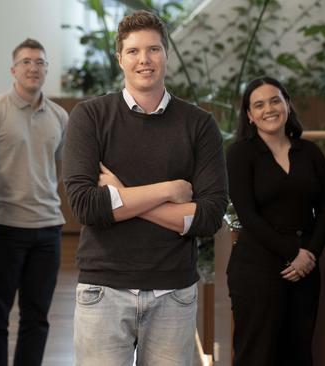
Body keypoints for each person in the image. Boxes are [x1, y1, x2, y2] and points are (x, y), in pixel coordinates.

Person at [63, 10, 228, 365]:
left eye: (153, 50)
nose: (144, 60)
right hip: (103, 290)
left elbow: (210, 216)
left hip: (174, 293)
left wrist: (120, 194)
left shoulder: (199, 125)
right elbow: (86, 207)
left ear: (165, 54)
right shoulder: (89, 117)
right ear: (119, 58)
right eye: (134, 51)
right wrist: (169, 190)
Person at [226, 76, 325, 366]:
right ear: (249, 115)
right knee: (256, 355)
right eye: (258, 105)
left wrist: (308, 256)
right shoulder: (240, 154)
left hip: (305, 269)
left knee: (298, 353)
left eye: (275, 100)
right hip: (257, 269)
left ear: (287, 103)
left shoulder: (310, 153)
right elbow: (247, 216)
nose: (268, 109)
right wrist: (293, 254)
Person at [0, 38, 68, 366]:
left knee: (37, 317)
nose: (33, 67)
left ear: (46, 70)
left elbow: (58, 167)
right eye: (26, 62)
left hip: (48, 230)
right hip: (3, 228)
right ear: (13, 69)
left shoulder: (59, 116)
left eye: (40, 62)